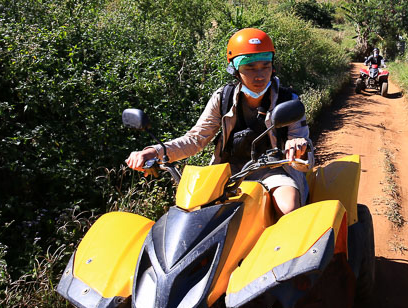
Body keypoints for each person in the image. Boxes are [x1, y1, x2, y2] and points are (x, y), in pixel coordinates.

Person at [125, 28, 313, 216]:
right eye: (250, 67)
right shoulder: (223, 98)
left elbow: (300, 141)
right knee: (193, 213)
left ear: (273, 67)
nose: (260, 75)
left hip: (273, 170)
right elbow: (195, 139)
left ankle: (285, 245)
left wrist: (297, 145)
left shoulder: (288, 100)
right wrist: (153, 152)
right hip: (226, 172)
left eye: (265, 66)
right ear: (235, 70)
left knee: (288, 207)